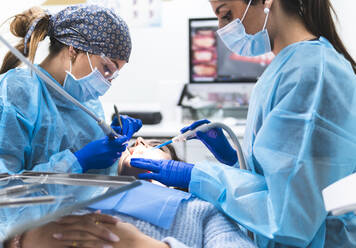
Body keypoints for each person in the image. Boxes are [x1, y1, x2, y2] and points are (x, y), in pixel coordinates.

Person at [130, 0, 356, 247]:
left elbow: (290, 217)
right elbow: (284, 177)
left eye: (226, 14)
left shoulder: (311, 74)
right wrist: (236, 161)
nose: (221, 28)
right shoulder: (287, 68)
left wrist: (198, 177)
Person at [0, 138, 257, 248]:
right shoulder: (71, 189)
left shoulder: (200, 211)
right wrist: (23, 240)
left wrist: (147, 246)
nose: (139, 143)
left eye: (153, 145)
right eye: (135, 142)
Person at [0, 5, 142, 177]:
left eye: (114, 74)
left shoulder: (86, 103)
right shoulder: (14, 93)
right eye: (107, 68)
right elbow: (0, 188)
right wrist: (76, 162)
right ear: (73, 49)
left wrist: (114, 156)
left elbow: (93, 181)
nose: (108, 81)